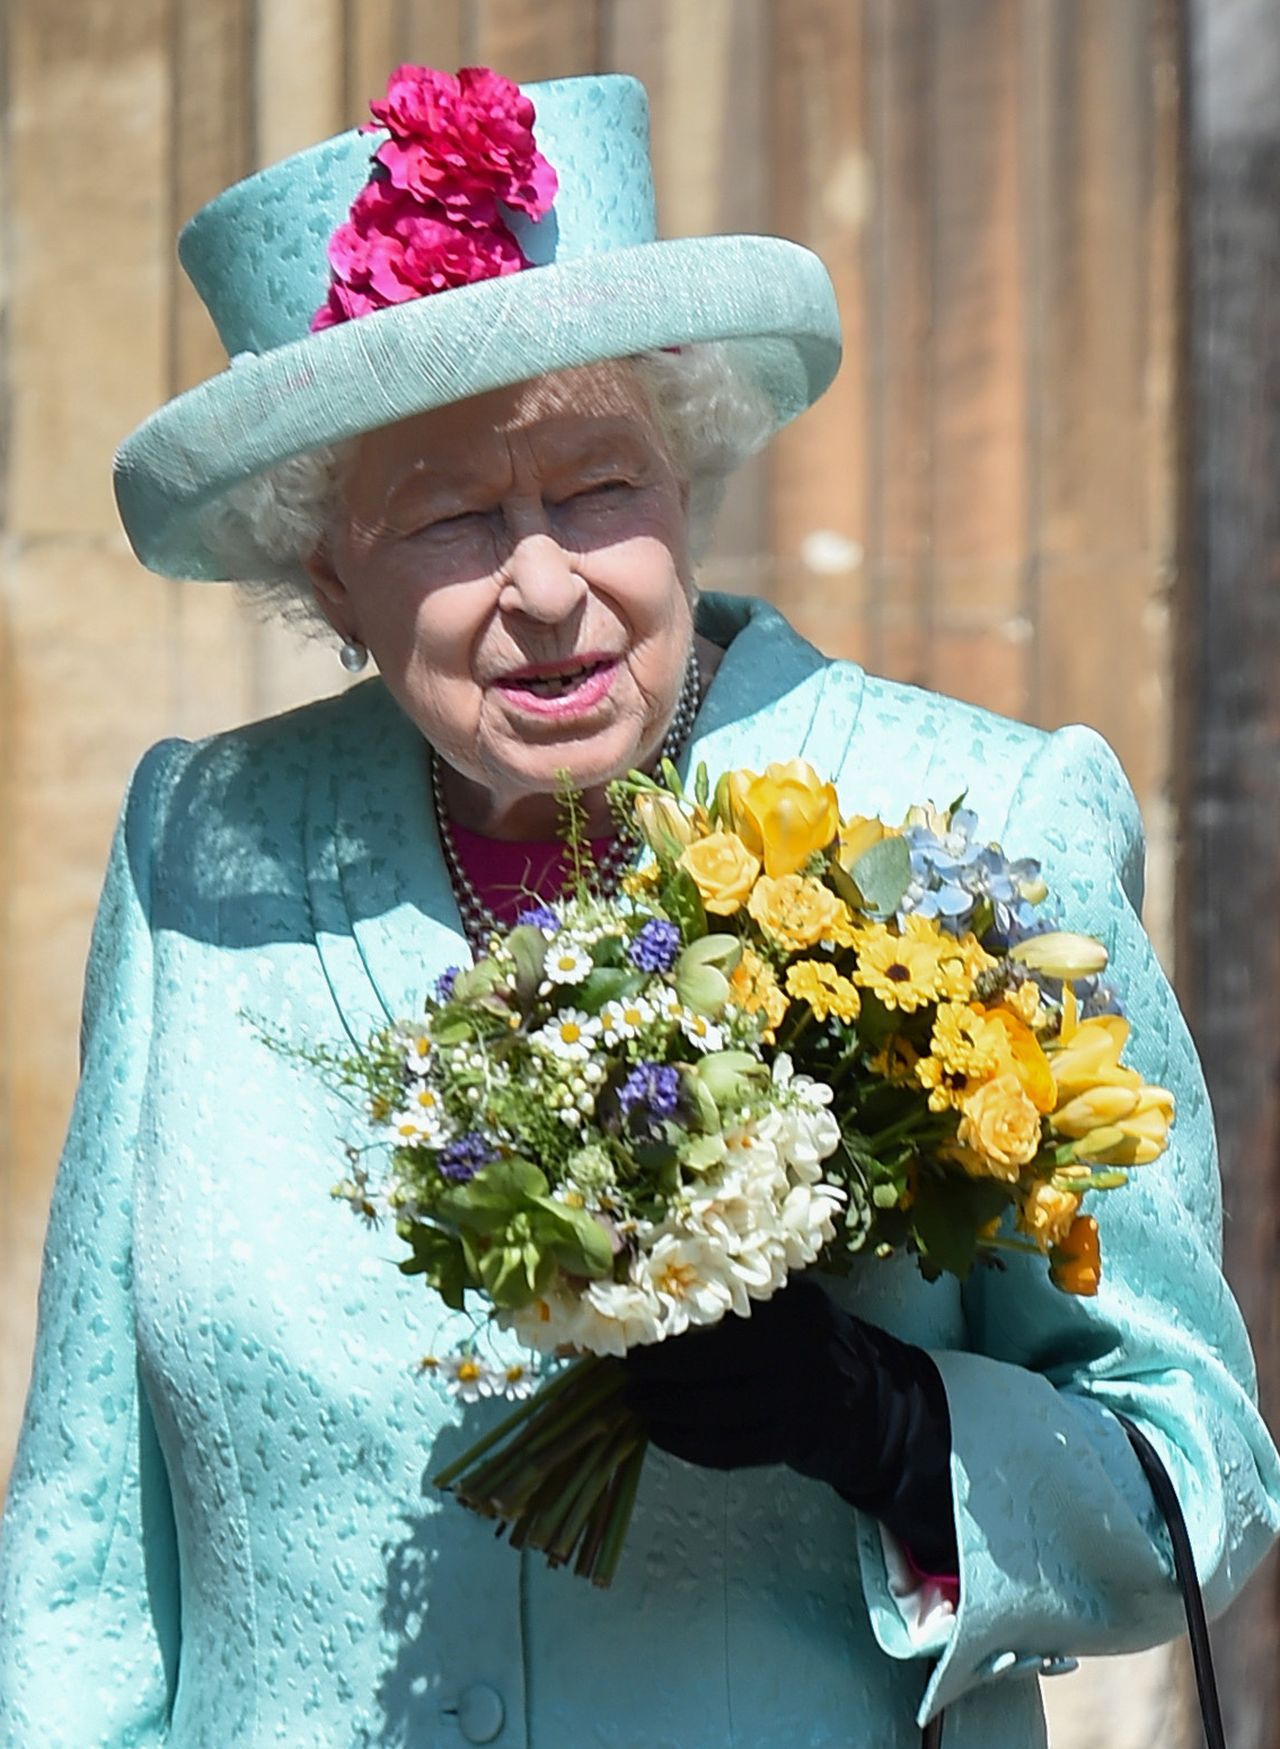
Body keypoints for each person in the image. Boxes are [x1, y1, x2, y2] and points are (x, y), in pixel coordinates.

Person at [0, 64, 1276, 1749]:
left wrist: (888, 1423)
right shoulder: (199, 847)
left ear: (683, 469)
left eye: (598, 484)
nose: (545, 586)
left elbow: (1196, 1481)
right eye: (451, 515)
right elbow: (87, 1565)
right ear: (327, 573)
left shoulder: (972, 827)